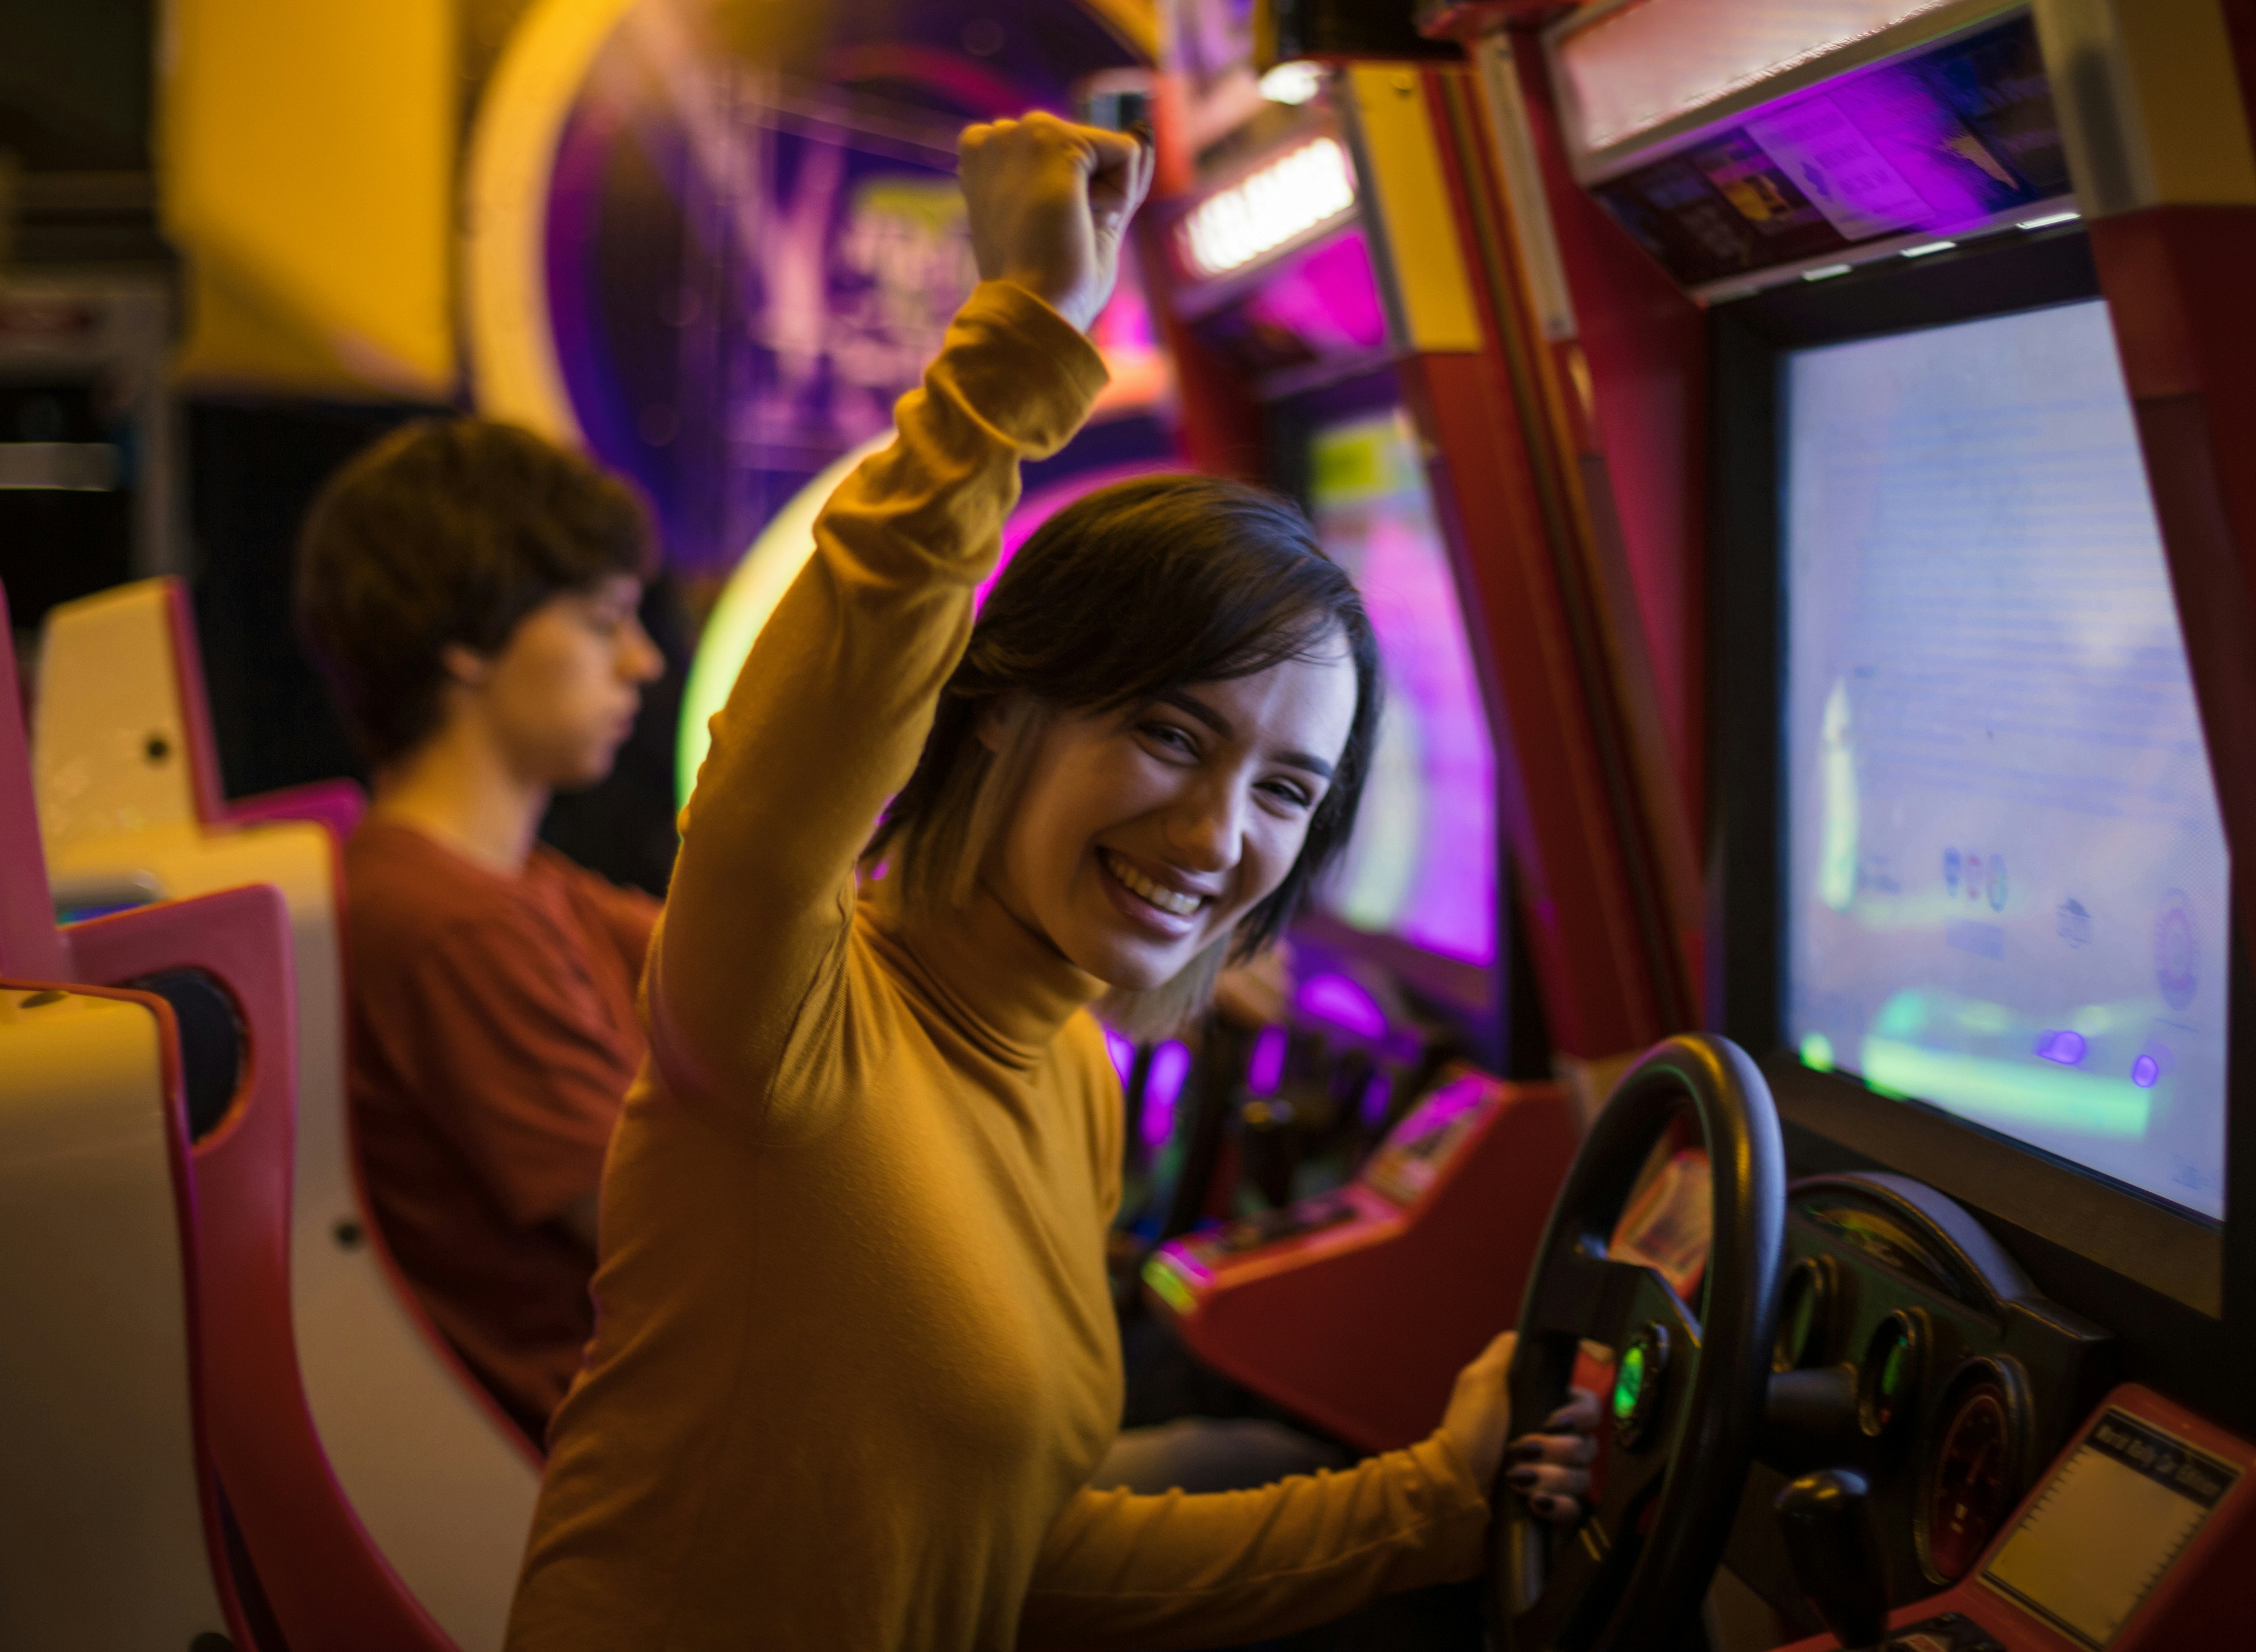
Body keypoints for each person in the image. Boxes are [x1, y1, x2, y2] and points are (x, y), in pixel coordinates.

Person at [506, 113, 1596, 1650]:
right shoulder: (789, 1014)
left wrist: (1437, 1499)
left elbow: (1008, 1557)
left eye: (1285, 789)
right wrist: (1020, 339)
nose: (1221, 837)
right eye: (1168, 730)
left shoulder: (1071, 1069)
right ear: (998, 710)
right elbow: (815, 713)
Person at [295, 419, 668, 1448]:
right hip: (622, 1481)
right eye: (603, 621)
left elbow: (748, 969)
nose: (642, 661)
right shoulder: (443, 921)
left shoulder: (521, 886)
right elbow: (674, 1239)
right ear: (466, 639)